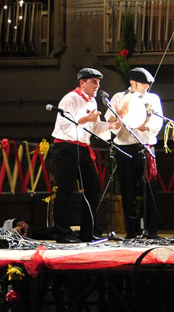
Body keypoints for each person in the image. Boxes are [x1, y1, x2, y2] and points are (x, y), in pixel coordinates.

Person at [50, 68, 116, 243]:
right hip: (66, 146)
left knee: (93, 187)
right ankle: (62, 232)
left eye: (98, 82)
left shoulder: (92, 102)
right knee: (65, 189)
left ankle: (88, 231)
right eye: (94, 82)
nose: (97, 86)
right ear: (82, 83)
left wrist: (110, 126)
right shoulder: (70, 98)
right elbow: (65, 124)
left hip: (83, 147)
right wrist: (87, 119)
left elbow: (93, 128)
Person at [104, 67, 164, 239]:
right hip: (125, 147)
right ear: (132, 83)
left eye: (148, 84)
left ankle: (151, 230)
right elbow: (110, 122)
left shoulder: (152, 98)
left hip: (146, 146)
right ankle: (132, 230)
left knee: (150, 190)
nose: (146, 87)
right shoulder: (119, 97)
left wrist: (147, 126)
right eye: (143, 84)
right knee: (128, 190)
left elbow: (158, 121)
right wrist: (119, 118)